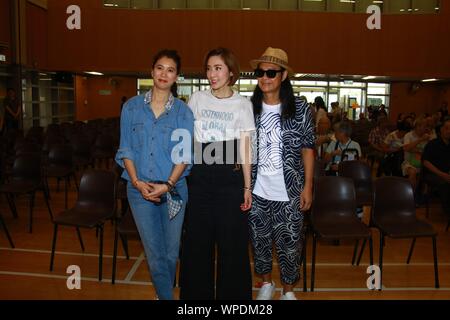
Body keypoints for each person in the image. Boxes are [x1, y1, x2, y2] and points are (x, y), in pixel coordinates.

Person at [115, 49, 194, 300]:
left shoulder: (184, 112)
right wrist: (137, 182)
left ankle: (162, 295)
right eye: (160, 68)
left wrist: (169, 184)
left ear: (176, 77)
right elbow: (125, 148)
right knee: (155, 253)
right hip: (141, 191)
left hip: (174, 191)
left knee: (171, 253)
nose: (164, 74)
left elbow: (184, 156)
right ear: (152, 71)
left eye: (170, 70)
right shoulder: (132, 107)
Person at [179, 47, 255, 300]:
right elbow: (187, 140)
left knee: (232, 246)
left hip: (230, 179)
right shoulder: (197, 99)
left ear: (231, 72)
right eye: (209, 68)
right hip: (199, 178)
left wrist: (247, 187)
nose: (212, 74)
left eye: (218, 68)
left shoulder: (243, 104)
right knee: (197, 245)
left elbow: (245, 147)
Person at [248, 47, 315, 300]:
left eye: (271, 72)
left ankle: (288, 291)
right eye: (260, 72)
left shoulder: (300, 108)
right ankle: (266, 284)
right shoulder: (249, 108)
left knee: (290, 245)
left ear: (283, 75)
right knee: (259, 241)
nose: (264, 77)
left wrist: (308, 186)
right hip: (257, 191)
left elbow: (308, 149)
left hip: (290, 190)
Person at [422, 117, 450, 221]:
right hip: (433, 173)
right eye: (447, 128)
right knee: (445, 183)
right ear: (441, 130)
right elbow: (425, 162)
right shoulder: (432, 144)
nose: (449, 131)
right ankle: (447, 211)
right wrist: (442, 174)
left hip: (447, 173)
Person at [402, 117, 432, 192]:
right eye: (420, 126)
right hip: (409, 163)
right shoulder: (408, 135)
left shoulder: (428, 137)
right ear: (416, 127)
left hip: (424, 163)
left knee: (431, 172)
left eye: (425, 126)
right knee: (413, 173)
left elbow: (429, 152)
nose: (423, 128)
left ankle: (423, 195)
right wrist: (420, 140)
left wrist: (415, 150)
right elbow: (406, 148)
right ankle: (411, 195)